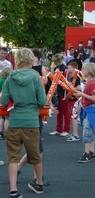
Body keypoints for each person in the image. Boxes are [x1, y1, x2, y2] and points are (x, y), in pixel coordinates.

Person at [1, 48, 47, 197]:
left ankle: (13, 190)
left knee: (13, 157)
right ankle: (39, 183)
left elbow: (4, 101)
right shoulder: (35, 78)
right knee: (35, 155)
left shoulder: (10, 78)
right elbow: (42, 101)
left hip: (14, 122)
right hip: (31, 121)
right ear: (31, 60)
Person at [17, 49, 50, 186]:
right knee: (37, 150)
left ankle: (17, 169)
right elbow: (42, 100)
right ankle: (37, 179)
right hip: (34, 116)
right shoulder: (35, 77)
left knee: (33, 149)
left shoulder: (14, 77)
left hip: (20, 116)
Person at [74, 63, 95, 163]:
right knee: (90, 130)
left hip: (90, 109)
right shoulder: (90, 82)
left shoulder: (91, 83)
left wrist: (82, 94)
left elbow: (94, 98)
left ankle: (87, 152)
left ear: (89, 71)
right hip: (89, 109)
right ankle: (92, 151)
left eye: (84, 70)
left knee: (87, 131)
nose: (82, 72)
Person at [49, 53, 70, 137]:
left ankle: (66, 129)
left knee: (65, 111)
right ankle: (59, 129)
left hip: (64, 92)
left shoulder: (65, 69)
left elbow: (66, 81)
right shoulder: (55, 69)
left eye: (56, 61)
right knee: (58, 111)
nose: (55, 63)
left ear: (59, 61)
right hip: (58, 92)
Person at [65, 62, 82, 142]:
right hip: (72, 98)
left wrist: (71, 88)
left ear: (73, 68)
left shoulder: (77, 77)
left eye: (69, 68)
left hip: (76, 99)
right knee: (72, 117)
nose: (68, 70)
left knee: (74, 117)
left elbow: (79, 87)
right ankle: (74, 133)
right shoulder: (72, 77)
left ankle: (76, 135)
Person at [0, 67, 12, 140]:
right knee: (7, 117)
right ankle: (6, 133)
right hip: (6, 99)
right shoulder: (9, 81)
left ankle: (0, 132)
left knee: (1, 117)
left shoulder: (0, 80)